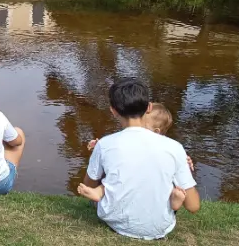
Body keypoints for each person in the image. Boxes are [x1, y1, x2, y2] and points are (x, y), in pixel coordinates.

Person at [78, 78, 200, 240]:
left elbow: (87, 186)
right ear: (148, 107)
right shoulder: (174, 147)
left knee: (109, 177)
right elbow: (193, 206)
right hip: (160, 227)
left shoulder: (105, 144)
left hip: (115, 222)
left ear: (113, 111)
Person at [78, 102, 192, 210]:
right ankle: (173, 199)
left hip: (140, 185)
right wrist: (100, 145)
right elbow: (115, 149)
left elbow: (117, 153)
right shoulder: (171, 147)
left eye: (142, 124)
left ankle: (99, 192)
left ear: (156, 132)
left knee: (115, 177)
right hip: (154, 190)